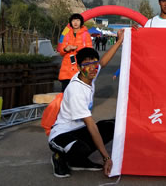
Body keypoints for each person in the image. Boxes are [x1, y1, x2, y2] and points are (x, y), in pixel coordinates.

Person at [49, 30, 124, 178]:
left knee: (113, 126)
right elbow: (90, 124)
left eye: (94, 63)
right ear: (78, 68)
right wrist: (106, 158)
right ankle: (59, 157)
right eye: (87, 64)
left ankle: (78, 161)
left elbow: (103, 62)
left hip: (78, 130)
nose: (92, 67)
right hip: (61, 135)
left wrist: (120, 41)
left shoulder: (90, 73)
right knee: (81, 146)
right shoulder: (76, 90)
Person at [58, 13, 93, 92]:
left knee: (79, 94)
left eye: (77, 20)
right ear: (71, 22)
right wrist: (66, 49)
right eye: (73, 20)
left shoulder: (86, 35)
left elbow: (90, 52)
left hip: (80, 70)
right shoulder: (66, 35)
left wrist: (77, 49)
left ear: (81, 22)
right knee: (66, 93)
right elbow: (61, 53)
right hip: (66, 71)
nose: (75, 22)